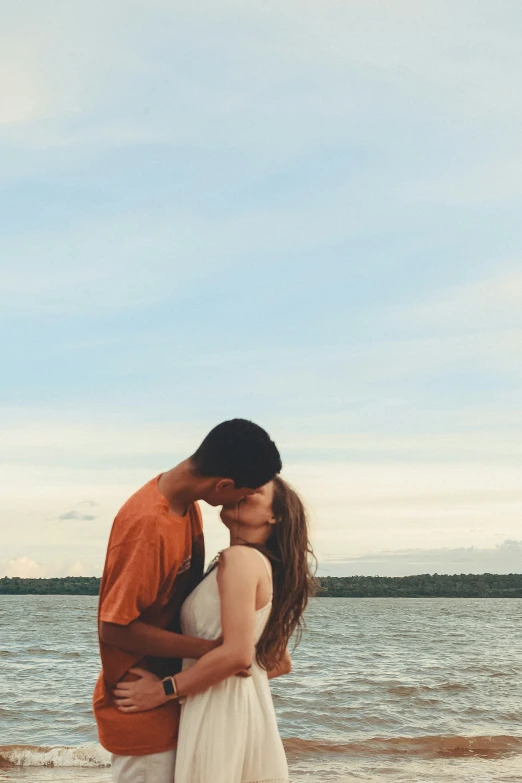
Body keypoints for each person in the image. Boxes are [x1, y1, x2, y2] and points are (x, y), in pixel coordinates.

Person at [93, 419, 282, 783]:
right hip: (142, 703)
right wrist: (211, 650)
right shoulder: (148, 526)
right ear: (223, 485)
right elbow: (113, 628)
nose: (240, 501)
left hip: (171, 702)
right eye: (243, 493)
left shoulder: (187, 507)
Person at [113, 475, 316, 783]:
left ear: (274, 515)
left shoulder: (240, 559)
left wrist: (163, 690)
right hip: (234, 706)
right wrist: (219, 677)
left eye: (255, 490)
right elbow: (277, 662)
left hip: (219, 715)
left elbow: (237, 655)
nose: (243, 491)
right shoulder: (259, 565)